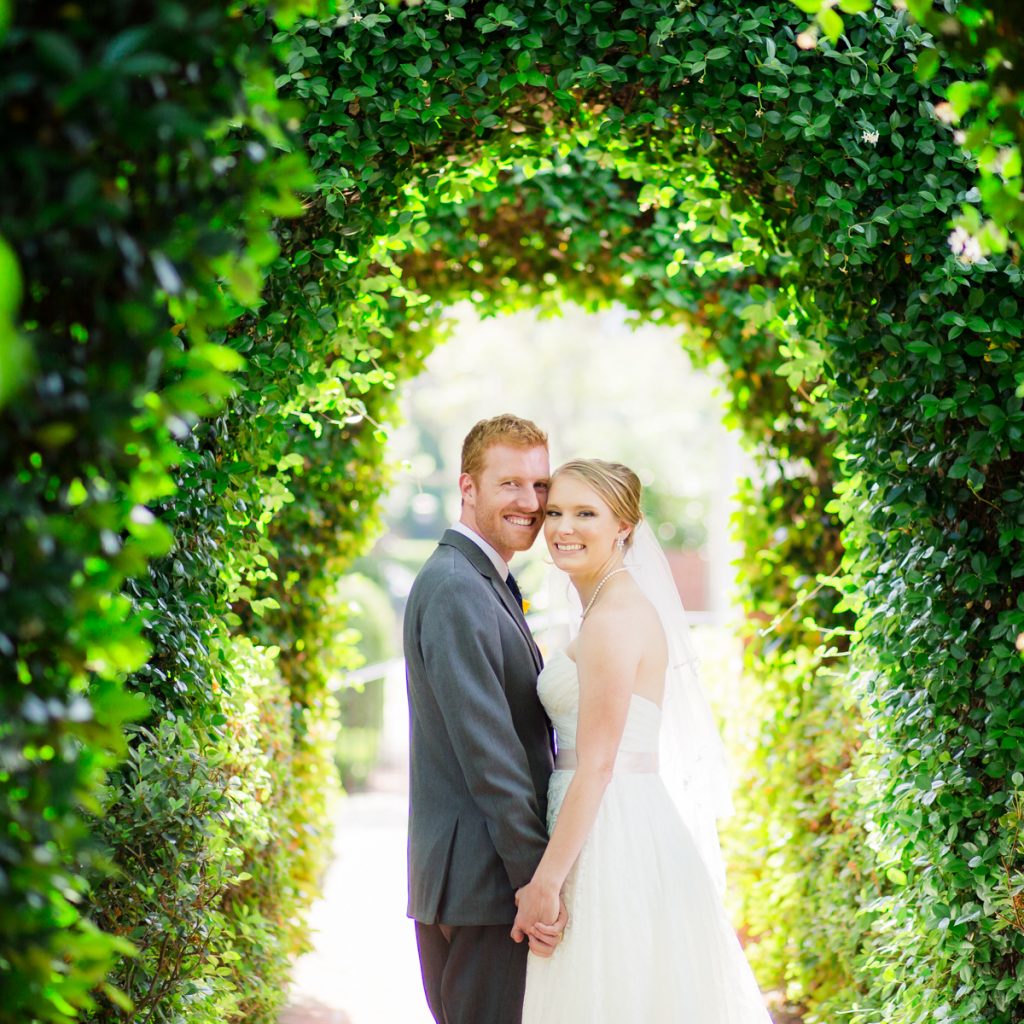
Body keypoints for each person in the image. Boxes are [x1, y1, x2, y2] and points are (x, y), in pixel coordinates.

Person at [514, 458, 773, 1024]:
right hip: (608, 815)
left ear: (624, 527)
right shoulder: (604, 606)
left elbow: (599, 763)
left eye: (586, 513)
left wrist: (546, 883)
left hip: (609, 827)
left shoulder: (613, 618)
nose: (563, 528)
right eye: (555, 511)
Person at [404, 414, 568, 1024]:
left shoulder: (487, 579)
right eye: (510, 484)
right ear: (467, 488)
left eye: (539, 485)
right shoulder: (455, 587)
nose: (530, 502)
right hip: (484, 885)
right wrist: (536, 886)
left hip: (482, 880)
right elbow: (489, 754)